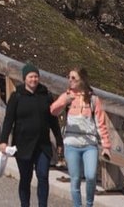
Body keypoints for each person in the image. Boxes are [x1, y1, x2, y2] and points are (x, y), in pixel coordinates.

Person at [0, 63, 62, 207]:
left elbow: (53, 121)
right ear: (25, 78)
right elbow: (9, 120)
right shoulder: (17, 96)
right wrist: (3, 141)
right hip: (23, 145)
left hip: (42, 144)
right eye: (30, 77)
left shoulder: (46, 96)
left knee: (43, 176)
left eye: (36, 76)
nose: (33, 79)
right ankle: (25, 204)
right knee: (25, 178)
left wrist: (59, 140)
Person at [51, 68, 114, 207]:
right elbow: (53, 111)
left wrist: (106, 146)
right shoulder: (66, 96)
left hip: (89, 145)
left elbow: (101, 124)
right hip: (71, 144)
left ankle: (89, 204)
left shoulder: (93, 99)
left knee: (91, 176)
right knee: (75, 179)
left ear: (82, 80)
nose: (70, 80)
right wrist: (64, 102)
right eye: (69, 77)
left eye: (74, 78)